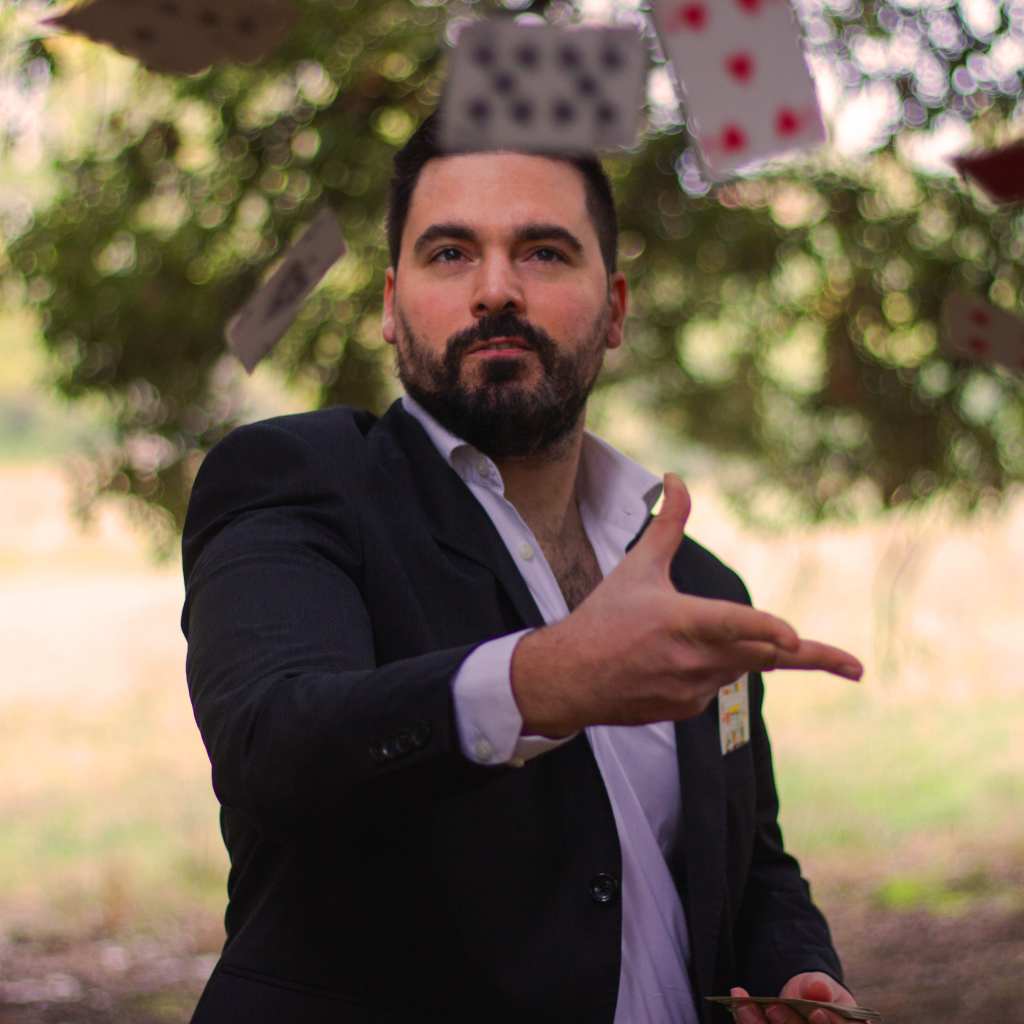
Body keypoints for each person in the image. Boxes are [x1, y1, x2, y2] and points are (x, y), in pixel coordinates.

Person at [180, 111, 865, 1024]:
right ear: (390, 306)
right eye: (450, 253)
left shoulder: (697, 588)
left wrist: (797, 970)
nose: (496, 290)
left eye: (543, 252)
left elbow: (750, 867)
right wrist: (546, 680)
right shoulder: (298, 482)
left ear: (614, 309)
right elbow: (273, 745)